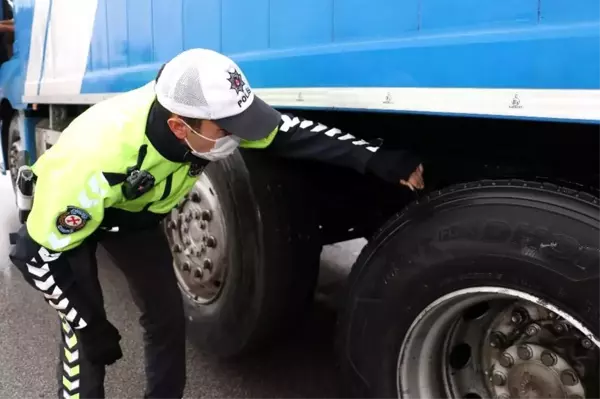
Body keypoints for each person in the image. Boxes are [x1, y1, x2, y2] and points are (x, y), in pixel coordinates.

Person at [8, 48, 424, 399]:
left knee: (167, 318)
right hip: (71, 222)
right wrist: (91, 324)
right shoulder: (94, 162)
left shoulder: (206, 118)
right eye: (228, 129)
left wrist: (376, 159)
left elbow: (292, 134)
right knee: (84, 338)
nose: (239, 138)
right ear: (178, 126)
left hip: (133, 217)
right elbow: (35, 258)